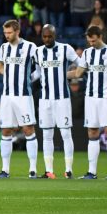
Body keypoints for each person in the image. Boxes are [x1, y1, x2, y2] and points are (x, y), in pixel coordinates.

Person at [0, 19, 40, 179]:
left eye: (9, 33)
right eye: (5, 33)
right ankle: (5, 169)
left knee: (28, 129)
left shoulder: (31, 47)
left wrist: (29, 80)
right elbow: (0, 68)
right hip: (7, 97)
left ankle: (32, 169)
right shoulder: (4, 48)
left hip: (24, 95)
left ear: (17, 32)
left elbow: (39, 70)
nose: (7, 36)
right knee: (6, 130)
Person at [66, 25, 107, 180]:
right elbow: (79, 72)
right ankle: (91, 172)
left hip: (106, 97)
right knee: (92, 132)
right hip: (90, 98)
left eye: (93, 40)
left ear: (100, 37)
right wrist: (59, 74)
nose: (91, 43)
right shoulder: (87, 53)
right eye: (89, 41)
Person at [33, 24, 79, 179]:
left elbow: (81, 65)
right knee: (46, 135)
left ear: (55, 35)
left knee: (66, 133)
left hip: (62, 99)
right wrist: (24, 80)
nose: (46, 39)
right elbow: (37, 73)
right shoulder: (38, 52)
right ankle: (48, 171)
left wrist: (72, 74)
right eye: (44, 36)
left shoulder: (66, 49)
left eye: (49, 36)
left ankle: (68, 170)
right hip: (45, 100)